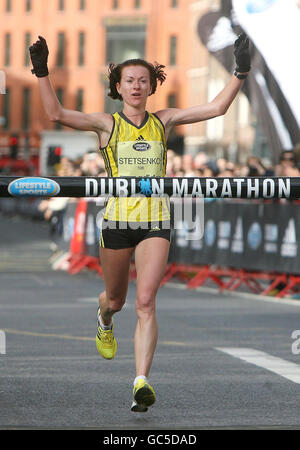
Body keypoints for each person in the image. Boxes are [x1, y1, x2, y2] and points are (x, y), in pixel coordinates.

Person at [29, 32, 251, 412]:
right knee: (117, 299)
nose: (136, 86)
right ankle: (104, 317)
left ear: (151, 87)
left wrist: (241, 71)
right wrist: (41, 70)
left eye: (143, 81)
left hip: (155, 221)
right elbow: (56, 115)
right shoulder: (106, 125)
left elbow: (216, 108)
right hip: (116, 222)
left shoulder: (163, 122)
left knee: (146, 301)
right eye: (129, 81)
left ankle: (141, 382)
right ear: (118, 86)